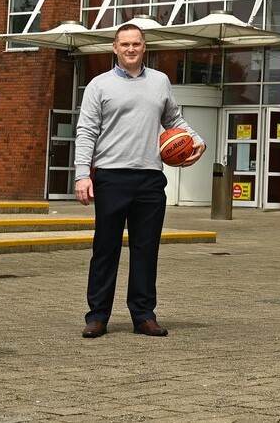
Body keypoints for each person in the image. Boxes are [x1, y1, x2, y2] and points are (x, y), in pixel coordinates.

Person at [75, 22, 206, 339]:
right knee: (105, 249)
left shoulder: (160, 82)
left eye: (136, 44)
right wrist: (82, 174)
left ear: (144, 47)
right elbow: (86, 131)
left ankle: (143, 315)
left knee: (146, 250)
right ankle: (98, 316)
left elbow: (173, 119)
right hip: (111, 176)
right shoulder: (99, 85)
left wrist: (196, 138)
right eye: (124, 44)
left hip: (150, 178)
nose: (130, 49)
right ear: (115, 48)